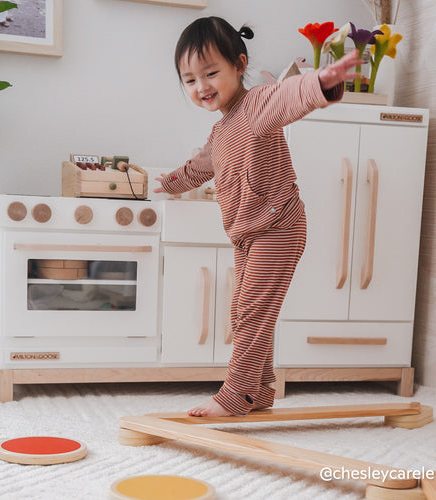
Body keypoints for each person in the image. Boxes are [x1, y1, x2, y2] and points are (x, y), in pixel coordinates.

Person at [154, 17, 362, 418]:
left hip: (277, 227)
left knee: (251, 310)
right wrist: (171, 182)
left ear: (239, 65)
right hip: (247, 235)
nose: (202, 87)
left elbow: (286, 97)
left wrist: (320, 83)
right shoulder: (220, 132)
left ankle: (235, 395)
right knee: (243, 310)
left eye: (211, 73)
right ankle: (259, 389)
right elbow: (199, 167)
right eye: (190, 80)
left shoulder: (255, 106)